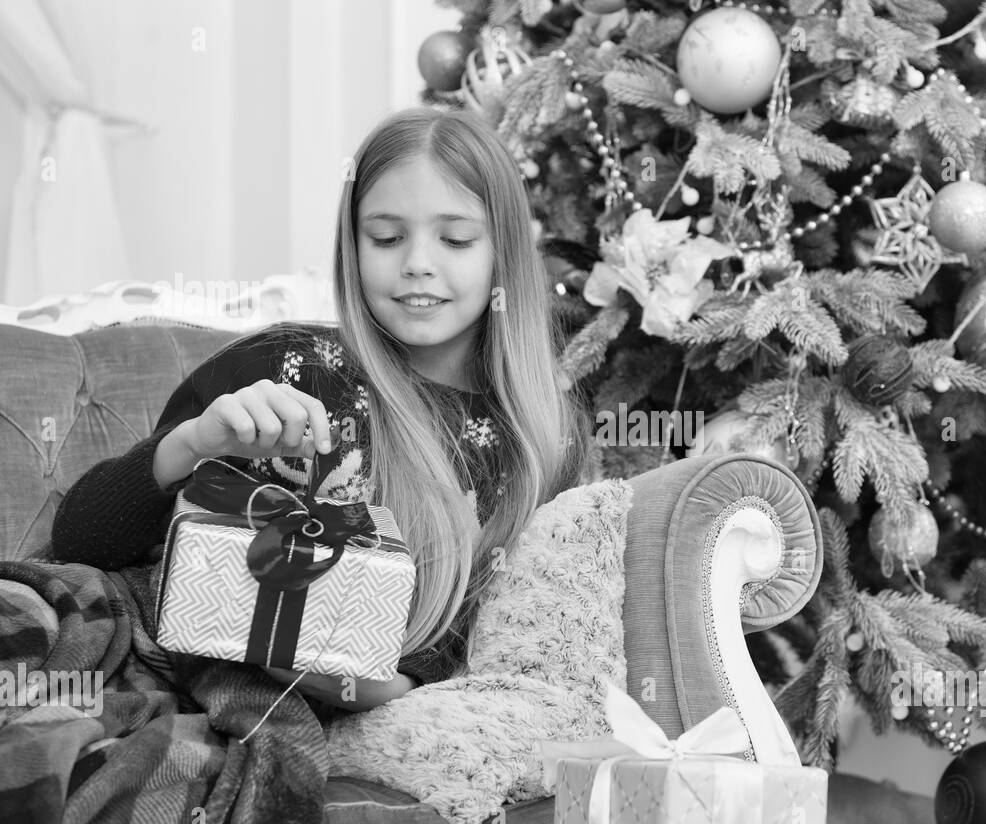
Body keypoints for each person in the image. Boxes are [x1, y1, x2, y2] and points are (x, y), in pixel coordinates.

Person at [50, 108, 589, 712]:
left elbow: (516, 654)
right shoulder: (281, 364)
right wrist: (195, 442)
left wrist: (388, 691)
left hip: (357, 712)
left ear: (504, 254)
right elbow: (77, 539)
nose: (417, 262)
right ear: (351, 246)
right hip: (165, 669)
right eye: (385, 237)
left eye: (456, 239)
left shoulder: (541, 444)